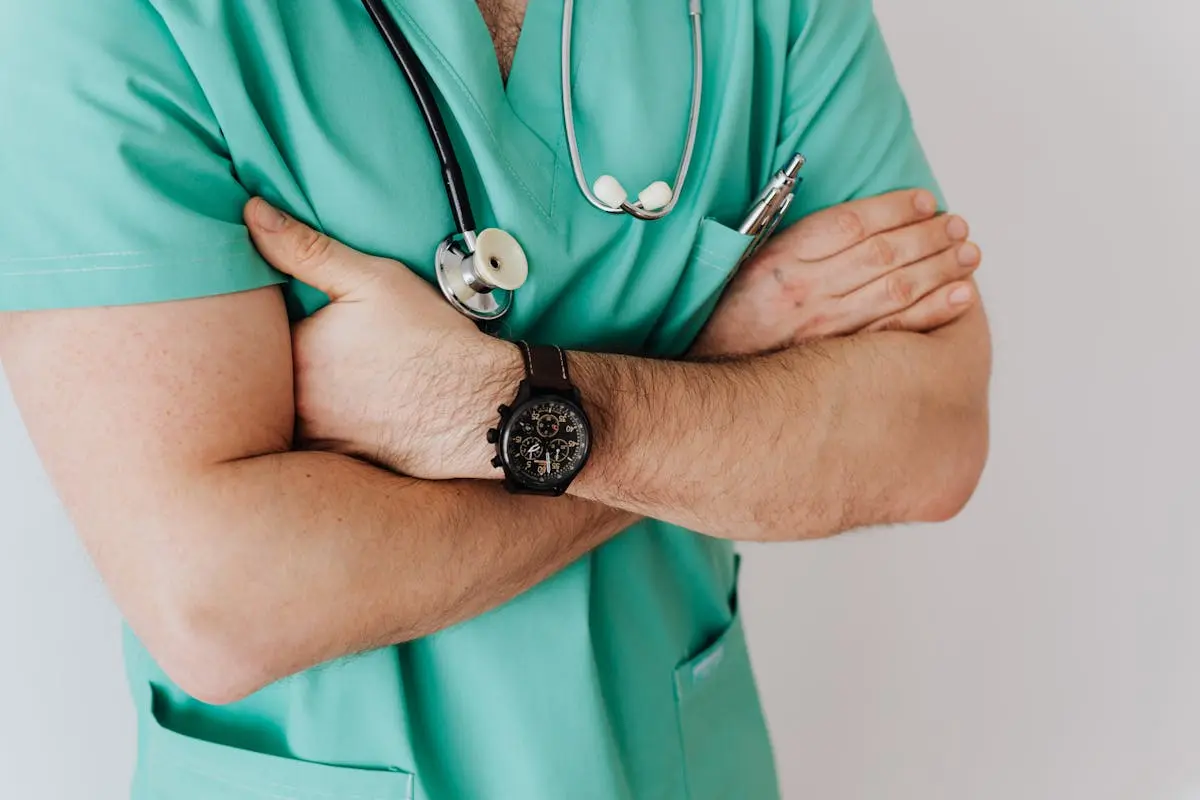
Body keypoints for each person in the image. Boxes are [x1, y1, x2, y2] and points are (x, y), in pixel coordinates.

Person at [0, 1, 991, 798]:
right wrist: (710, 351)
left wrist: (489, 401)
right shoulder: (107, 16)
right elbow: (220, 600)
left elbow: (930, 434)